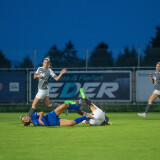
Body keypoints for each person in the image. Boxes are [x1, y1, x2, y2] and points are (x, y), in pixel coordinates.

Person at [21, 103, 93, 126]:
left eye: (25, 117)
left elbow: (41, 113)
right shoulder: (34, 125)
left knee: (64, 105)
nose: (26, 118)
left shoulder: (33, 116)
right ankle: (86, 116)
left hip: (51, 116)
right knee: (72, 123)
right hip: (54, 123)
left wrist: (40, 119)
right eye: (24, 120)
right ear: (26, 122)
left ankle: (78, 107)